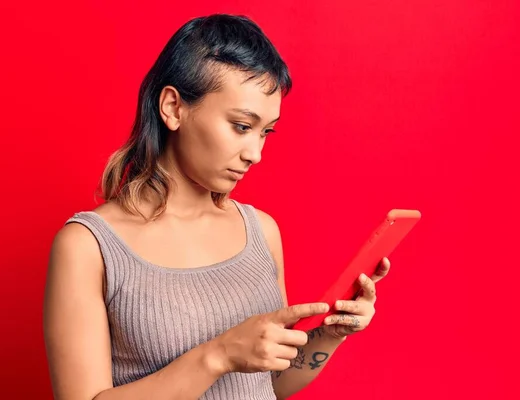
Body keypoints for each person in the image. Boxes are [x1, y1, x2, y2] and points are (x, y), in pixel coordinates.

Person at [43, 13, 391, 400]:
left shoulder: (261, 231)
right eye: (242, 126)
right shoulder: (88, 247)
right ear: (174, 108)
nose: (256, 153)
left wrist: (330, 333)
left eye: (266, 132)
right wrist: (219, 355)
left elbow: (268, 385)